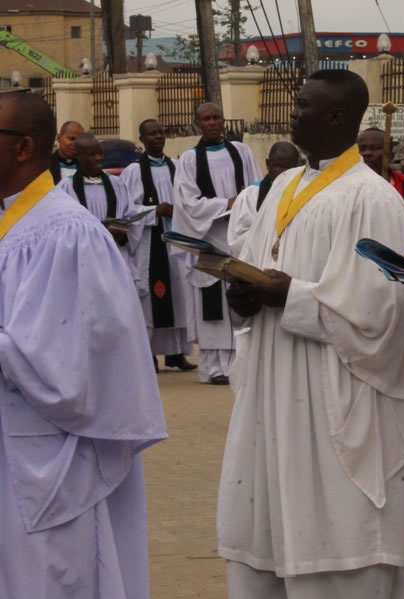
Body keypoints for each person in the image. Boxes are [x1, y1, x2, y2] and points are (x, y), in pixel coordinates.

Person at [219, 69, 404, 599]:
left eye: (302, 105)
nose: (292, 114)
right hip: (273, 382)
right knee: (269, 521)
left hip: (331, 391)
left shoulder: (372, 198)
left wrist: (291, 295)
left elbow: (382, 310)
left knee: (336, 527)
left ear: (337, 116)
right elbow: (254, 260)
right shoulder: (283, 186)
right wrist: (244, 295)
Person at [0, 91, 166, 598]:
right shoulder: (12, 224)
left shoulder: (68, 233)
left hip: (44, 458)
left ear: (23, 146)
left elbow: (69, 367)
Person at [173, 103, 261, 385]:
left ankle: (241, 365)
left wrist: (242, 207)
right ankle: (214, 368)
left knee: (239, 297)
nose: (212, 123)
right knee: (212, 303)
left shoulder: (241, 151)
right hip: (209, 237)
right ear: (197, 123)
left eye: (216, 118)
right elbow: (187, 202)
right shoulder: (189, 159)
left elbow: (256, 188)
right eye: (206, 119)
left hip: (239, 236)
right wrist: (225, 204)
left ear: (224, 121)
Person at [122, 118, 197, 373]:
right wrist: (155, 209)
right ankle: (150, 355)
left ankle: (176, 353)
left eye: (161, 132)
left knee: (178, 295)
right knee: (151, 301)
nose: (158, 137)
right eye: (152, 134)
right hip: (150, 240)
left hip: (176, 239)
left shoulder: (177, 166)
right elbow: (127, 210)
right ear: (141, 139)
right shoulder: (134, 171)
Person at [57, 133, 143, 279]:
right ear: (78, 156)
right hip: (84, 261)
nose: (98, 158)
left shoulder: (117, 184)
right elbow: (60, 229)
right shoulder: (66, 187)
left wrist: (123, 233)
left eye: (100, 153)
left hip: (115, 256)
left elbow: (131, 217)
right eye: (91, 154)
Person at [357, 127, 404, 245]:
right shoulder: (341, 188)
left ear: (391, 156)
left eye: (375, 148)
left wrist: (395, 200)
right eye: (361, 149)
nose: (367, 153)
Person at [227, 140, 301, 255]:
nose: (283, 173)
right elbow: (237, 241)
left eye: (289, 168)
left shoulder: (303, 195)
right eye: (278, 166)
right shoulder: (249, 197)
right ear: (268, 164)